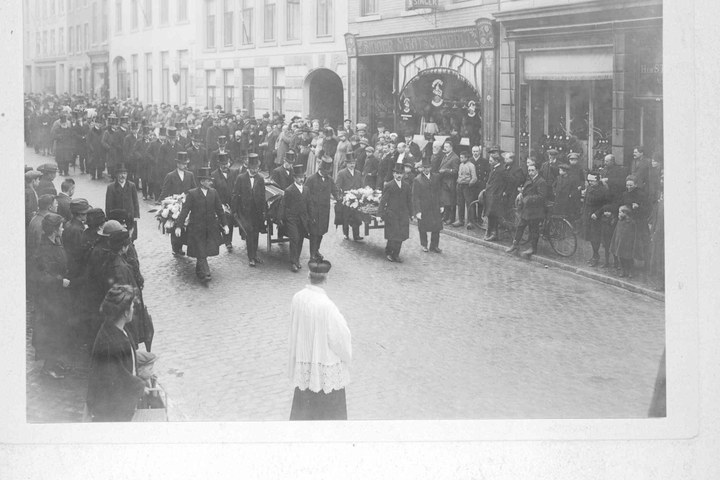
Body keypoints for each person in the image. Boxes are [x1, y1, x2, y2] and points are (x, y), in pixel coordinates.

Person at [288, 259, 352, 421]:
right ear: (326, 279)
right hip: (324, 372)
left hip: (305, 366)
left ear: (308, 276)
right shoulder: (327, 306)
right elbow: (340, 338)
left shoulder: (297, 298)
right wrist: (346, 357)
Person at [86, 285, 151, 422]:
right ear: (126, 313)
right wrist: (141, 386)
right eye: (132, 306)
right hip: (112, 410)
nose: (134, 309)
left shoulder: (112, 329)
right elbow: (119, 378)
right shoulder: (114, 342)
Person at [29, 213, 72, 379]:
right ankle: (48, 366)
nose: (62, 228)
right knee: (51, 331)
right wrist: (60, 281)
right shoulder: (44, 249)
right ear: (54, 230)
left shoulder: (56, 242)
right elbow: (41, 276)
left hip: (58, 297)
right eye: (60, 226)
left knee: (59, 330)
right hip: (49, 299)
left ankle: (55, 361)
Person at [173, 167, 229, 281]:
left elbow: (219, 210)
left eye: (211, 180)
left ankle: (199, 271)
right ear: (202, 181)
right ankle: (205, 271)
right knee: (200, 250)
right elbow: (185, 211)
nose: (211, 182)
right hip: (196, 228)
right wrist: (178, 226)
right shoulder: (192, 194)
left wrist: (226, 224)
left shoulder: (214, 193)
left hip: (210, 227)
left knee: (205, 250)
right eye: (208, 180)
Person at [505, 163, 549, 258]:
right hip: (527, 209)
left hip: (536, 210)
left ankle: (533, 248)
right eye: (529, 170)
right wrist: (521, 194)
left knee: (534, 229)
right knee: (520, 226)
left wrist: (528, 199)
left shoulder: (541, 182)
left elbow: (542, 197)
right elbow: (525, 190)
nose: (531, 172)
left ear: (537, 170)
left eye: (532, 170)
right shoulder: (529, 180)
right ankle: (515, 244)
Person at [232, 154, 266, 267]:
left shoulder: (260, 178)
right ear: (248, 167)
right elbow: (235, 194)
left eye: (257, 168)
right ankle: (251, 257)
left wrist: (264, 211)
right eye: (253, 168)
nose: (255, 170)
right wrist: (234, 210)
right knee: (249, 233)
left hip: (256, 211)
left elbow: (262, 196)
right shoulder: (241, 178)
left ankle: (255, 254)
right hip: (244, 211)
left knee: (255, 233)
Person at [160, 152, 197, 256]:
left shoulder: (190, 175)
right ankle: (176, 248)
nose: (185, 165)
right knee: (175, 224)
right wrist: (162, 203)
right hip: (175, 204)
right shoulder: (170, 175)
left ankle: (182, 245)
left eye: (186, 163)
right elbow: (165, 190)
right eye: (182, 163)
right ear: (177, 164)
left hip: (187, 204)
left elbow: (194, 188)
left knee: (185, 225)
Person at [305, 156, 340, 261]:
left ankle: (316, 250)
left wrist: (338, 198)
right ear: (320, 169)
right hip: (314, 211)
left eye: (328, 171)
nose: (327, 173)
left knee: (321, 232)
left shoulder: (329, 180)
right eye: (325, 171)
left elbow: (335, 191)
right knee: (314, 233)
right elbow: (305, 194)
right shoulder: (311, 179)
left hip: (325, 211)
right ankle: (312, 254)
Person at [379, 163, 413, 263]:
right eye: (397, 173)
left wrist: (411, 213)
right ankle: (389, 252)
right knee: (393, 235)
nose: (399, 175)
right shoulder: (389, 185)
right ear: (393, 174)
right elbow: (383, 201)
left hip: (403, 214)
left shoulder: (406, 186)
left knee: (401, 235)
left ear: (403, 175)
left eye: (401, 173)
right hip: (392, 213)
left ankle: (396, 254)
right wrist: (379, 214)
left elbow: (409, 201)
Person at [280, 164, 310, 272]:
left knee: (301, 239)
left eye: (303, 177)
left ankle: (297, 259)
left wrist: (310, 218)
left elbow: (308, 205)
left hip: (302, 219)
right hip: (292, 219)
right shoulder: (289, 190)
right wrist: (283, 219)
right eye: (299, 178)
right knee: (294, 238)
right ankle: (293, 262)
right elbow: (284, 205)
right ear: (294, 178)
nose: (301, 180)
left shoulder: (306, 190)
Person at [581, 172, 613, 268]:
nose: (590, 183)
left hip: (598, 218)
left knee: (596, 238)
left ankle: (596, 257)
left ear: (598, 180)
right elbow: (586, 202)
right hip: (588, 216)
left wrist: (597, 213)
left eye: (592, 181)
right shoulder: (590, 188)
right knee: (591, 237)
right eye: (589, 180)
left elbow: (607, 204)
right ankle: (595, 255)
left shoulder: (603, 190)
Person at [412, 156, 443, 253]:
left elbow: (439, 192)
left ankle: (434, 246)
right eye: (424, 167)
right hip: (424, 207)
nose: (426, 169)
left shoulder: (436, 177)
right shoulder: (418, 179)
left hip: (435, 206)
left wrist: (441, 205)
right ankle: (424, 244)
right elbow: (415, 197)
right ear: (421, 168)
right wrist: (417, 211)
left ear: (431, 167)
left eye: (428, 167)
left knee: (436, 227)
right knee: (423, 227)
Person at [105, 163, 140, 241]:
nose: (122, 176)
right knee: (119, 237)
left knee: (131, 237)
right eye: (120, 174)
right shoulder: (111, 187)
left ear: (127, 175)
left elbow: (135, 202)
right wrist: (109, 218)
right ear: (117, 175)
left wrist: (136, 215)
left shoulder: (131, 186)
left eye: (124, 173)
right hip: (117, 218)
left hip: (130, 217)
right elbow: (108, 204)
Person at [211, 152, 238, 251]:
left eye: (226, 164)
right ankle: (227, 241)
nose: (225, 166)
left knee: (230, 222)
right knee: (224, 221)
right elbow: (212, 190)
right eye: (222, 164)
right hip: (220, 203)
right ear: (219, 164)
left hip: (232, 201)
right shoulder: (213, 175)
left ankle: (228, 240)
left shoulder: (234, 173)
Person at [335, 153, 364, 242]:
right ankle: (346, 234)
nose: (352, 165)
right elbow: (337, 186)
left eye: (353, 163)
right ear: (347, 164)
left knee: (356, 216)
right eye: (350, 163)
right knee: (346, 217)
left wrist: (361, 193)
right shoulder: (342, 173)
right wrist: (340, 197)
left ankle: (356, 235)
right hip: (346, 199)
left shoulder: (358, 173)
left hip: (356, 198)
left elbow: (361, 185)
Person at [481, 147, 506, 241]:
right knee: (490, 214)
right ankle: (490, 231)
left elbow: (505, 182)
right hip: (491, 195)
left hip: (496, 196)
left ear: (496, 161)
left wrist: (503, 192)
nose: (489, 161)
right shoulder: (494, 168)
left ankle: (494, 233)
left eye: (491, 160)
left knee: (494, 215)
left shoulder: (501, 170)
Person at [453, 150, 478, 229]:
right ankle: (461, 220)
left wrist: (469, 184)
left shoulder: (471, 165)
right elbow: (459, 175)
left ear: (467, 158)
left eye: (462, 157)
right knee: (460, 203)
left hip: (467, 187)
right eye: (460, 157)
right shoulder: (460, 165)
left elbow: (474, 178)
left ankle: (471, 222)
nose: (461, 159)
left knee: (469, 204)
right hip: (460, 186)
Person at [437, 141, 460, 224]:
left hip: (451, 182)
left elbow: (456, 171)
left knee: (452, 201)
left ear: (451, 147)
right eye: (444, 146)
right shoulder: (445, 156)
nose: (445, 148)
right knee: (445, 201)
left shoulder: (455, 158)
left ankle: (451, 218)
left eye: (447, 146)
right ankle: (446, 217)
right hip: (444, 182)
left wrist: (445, 170)